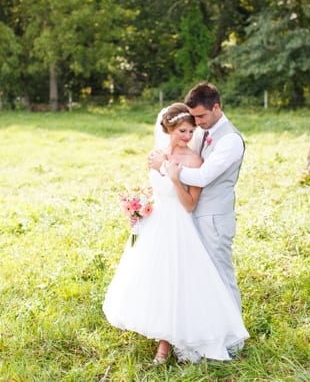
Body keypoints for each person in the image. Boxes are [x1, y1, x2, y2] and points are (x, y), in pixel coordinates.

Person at [103, 103, 249, 363]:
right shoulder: (155, 155)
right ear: (168, 128)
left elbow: (190, 204)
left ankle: (167, 345)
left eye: (191, 131)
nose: (187, 136)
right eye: (182, 130)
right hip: (155, 224)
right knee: (155, 282)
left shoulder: (195, 160)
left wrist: (173, 175)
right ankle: (160, 336)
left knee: (175, 282)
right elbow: (155, 190)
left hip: (180, 226)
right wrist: (139, 207)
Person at [148, 82, 247, 356]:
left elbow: (203, 176)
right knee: (201, 278)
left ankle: (233, 338)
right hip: (190, 218)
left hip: (214, 217)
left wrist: (167, 169)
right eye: (193, 119)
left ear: (216, 108)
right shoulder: (204, 132)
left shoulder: (230, 140)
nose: (197, 124)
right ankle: (205, 331)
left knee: (222, 275)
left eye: (201, 117)